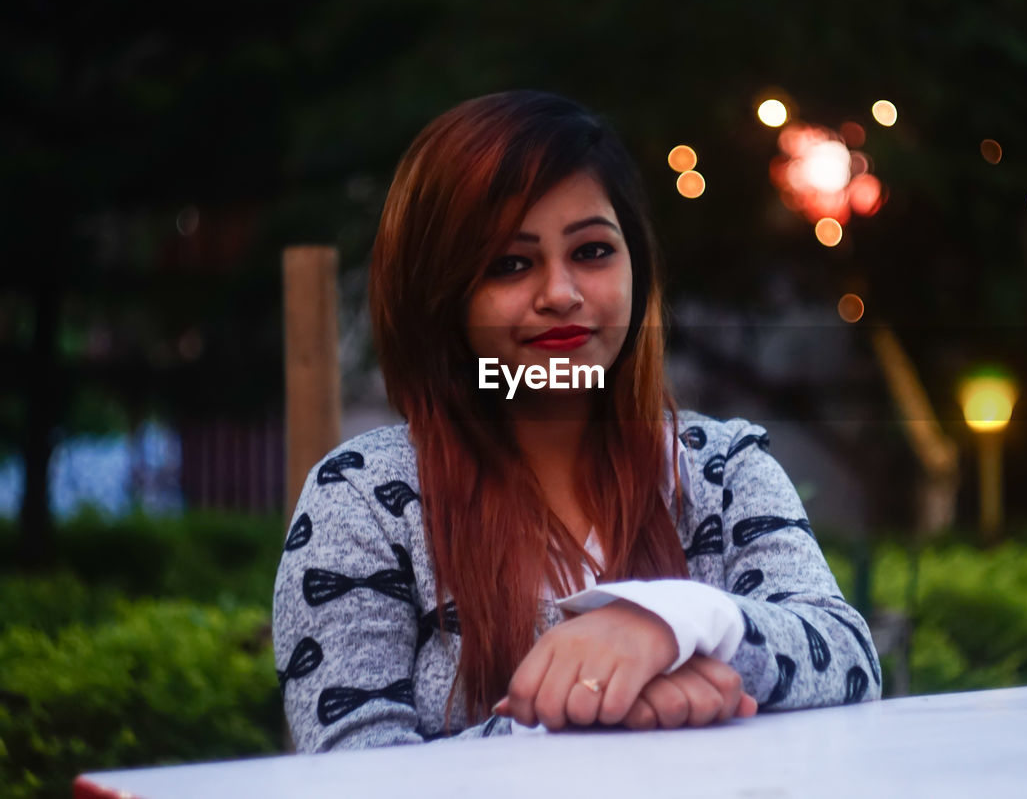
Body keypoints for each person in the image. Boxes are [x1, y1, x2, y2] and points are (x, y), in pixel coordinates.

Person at [272, 90, 881, 752]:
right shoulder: (363, 501)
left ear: (637, 271)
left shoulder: (721, 468)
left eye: (591, 251)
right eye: (510, 263)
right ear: (439, 295)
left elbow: (849, 661)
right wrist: (592, 711)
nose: (560, 293)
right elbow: (351, 774)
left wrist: (670, 624)